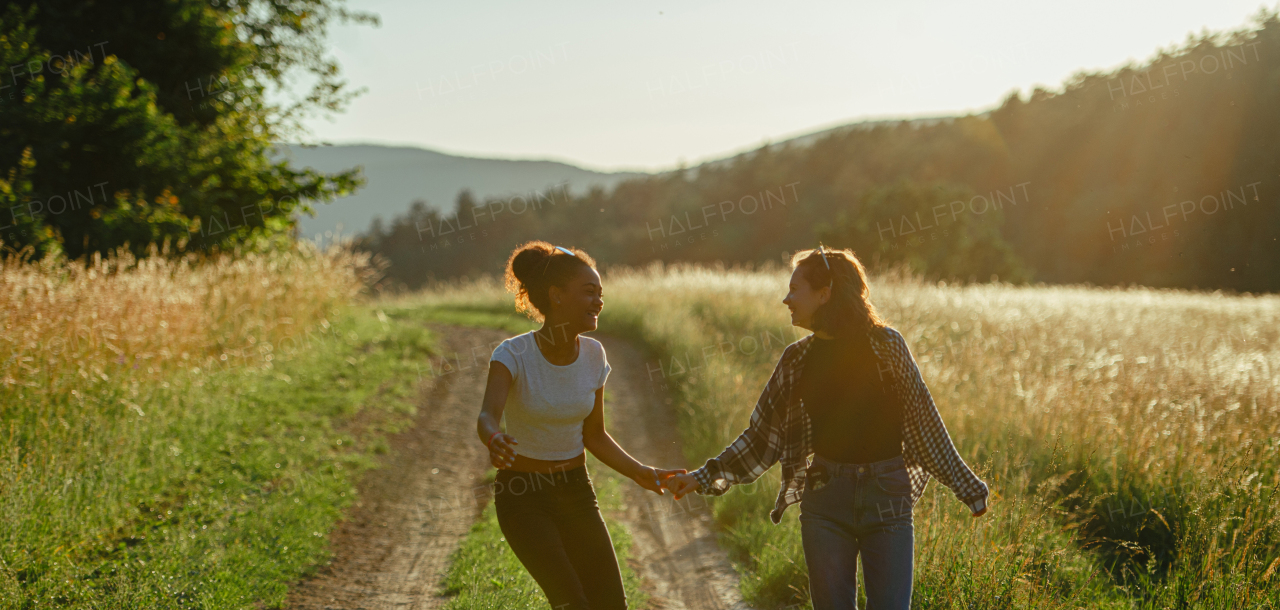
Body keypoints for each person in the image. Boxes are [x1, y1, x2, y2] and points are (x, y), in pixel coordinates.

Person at [664, 246, 990, 610]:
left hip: (886, 499)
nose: (786, 299)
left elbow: (924, 423)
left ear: (825, 293)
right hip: (825, 500)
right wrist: (704, 476)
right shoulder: (797, 360)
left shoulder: (888, 347)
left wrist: (968, 487)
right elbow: (761, 437)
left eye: (795, 289)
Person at [476, 240, 684, 610]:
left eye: (600, 294)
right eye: (589, 292)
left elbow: (595, 435)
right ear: (557, 296)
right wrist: (494, 439)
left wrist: (641, 473)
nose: (599, 302)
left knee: (611, 604)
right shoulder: (513, 354)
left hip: (576, 491)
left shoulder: (594, 355)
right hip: (523, 496)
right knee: (571, 601)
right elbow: (487, 415)